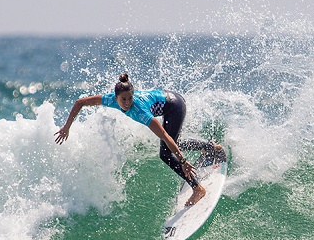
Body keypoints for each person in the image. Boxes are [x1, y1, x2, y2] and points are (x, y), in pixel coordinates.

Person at [55, 73, 221, 206]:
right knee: (173, 143)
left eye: (129, 98)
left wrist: (183, 161)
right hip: (169, 97)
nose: (127, 103)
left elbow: (164, 135)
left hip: (175, 106)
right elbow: (80, 102)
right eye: (123, 99)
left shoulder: (139, 111)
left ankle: (197, 188)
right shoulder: (109, 99)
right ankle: (211, 147)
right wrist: (66, 127)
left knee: (165, 153)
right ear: (115, 97)